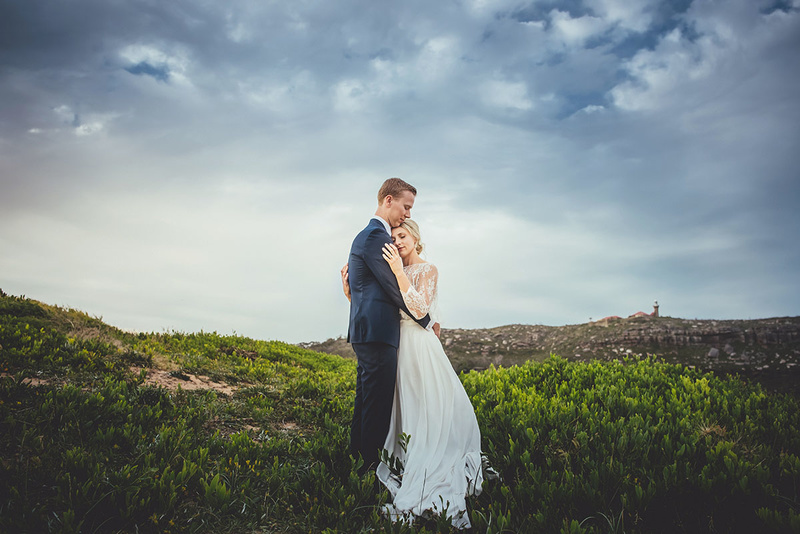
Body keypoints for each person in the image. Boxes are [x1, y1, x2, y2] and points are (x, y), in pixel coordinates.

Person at [343, 218, 484, 529]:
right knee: (398, 408)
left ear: (416, 238)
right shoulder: (391, 270)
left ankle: (429, 468)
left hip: (419, 348)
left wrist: (396, 272)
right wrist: (351, 293)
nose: (398, 242)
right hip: (396, 347)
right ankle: (398, 462)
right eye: (393, 238)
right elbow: (381, 308)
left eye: (403, 235)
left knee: (424, 406)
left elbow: (420, 311)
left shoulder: (427, 269)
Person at [344, 178, 432, 474]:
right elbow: (394, 286)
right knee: (377, 407)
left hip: (370, 331)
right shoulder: (375, 237)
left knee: (367, 403)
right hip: (378, 334)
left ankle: (356, 465)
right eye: (406, 206)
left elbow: (365, 288)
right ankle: (367, 472)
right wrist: (425, 320)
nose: (407, 213)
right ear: (389, 200)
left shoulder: (369, 236)